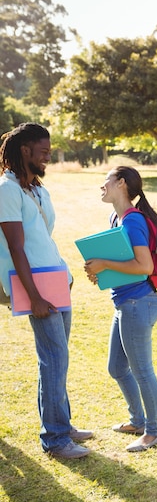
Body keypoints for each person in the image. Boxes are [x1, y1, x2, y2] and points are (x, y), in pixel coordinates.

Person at [0, 123, 93, 459]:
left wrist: (63, 274)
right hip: (36, 287)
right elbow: (16, 248)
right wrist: (35, 296)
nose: (48, 158)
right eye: (43, 152)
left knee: (57, 359)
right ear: (24, 151)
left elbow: (44, 237)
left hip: (56, 280)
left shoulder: (37, 190)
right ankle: (54, 439)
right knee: (53, 358)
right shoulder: (7, 190)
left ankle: (61, 425)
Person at [84, 166, 157, 452]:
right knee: (117, 367)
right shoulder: (115, 218)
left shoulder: (132, 221)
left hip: (138, 303)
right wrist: (100, 272)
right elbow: (124, 262)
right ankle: (138, 421)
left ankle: (153, 432)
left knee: (142, 370)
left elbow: (144, 267)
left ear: (120, 183)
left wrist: (105, 264)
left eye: (105, 180)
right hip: (125, 303)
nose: (101, 186)